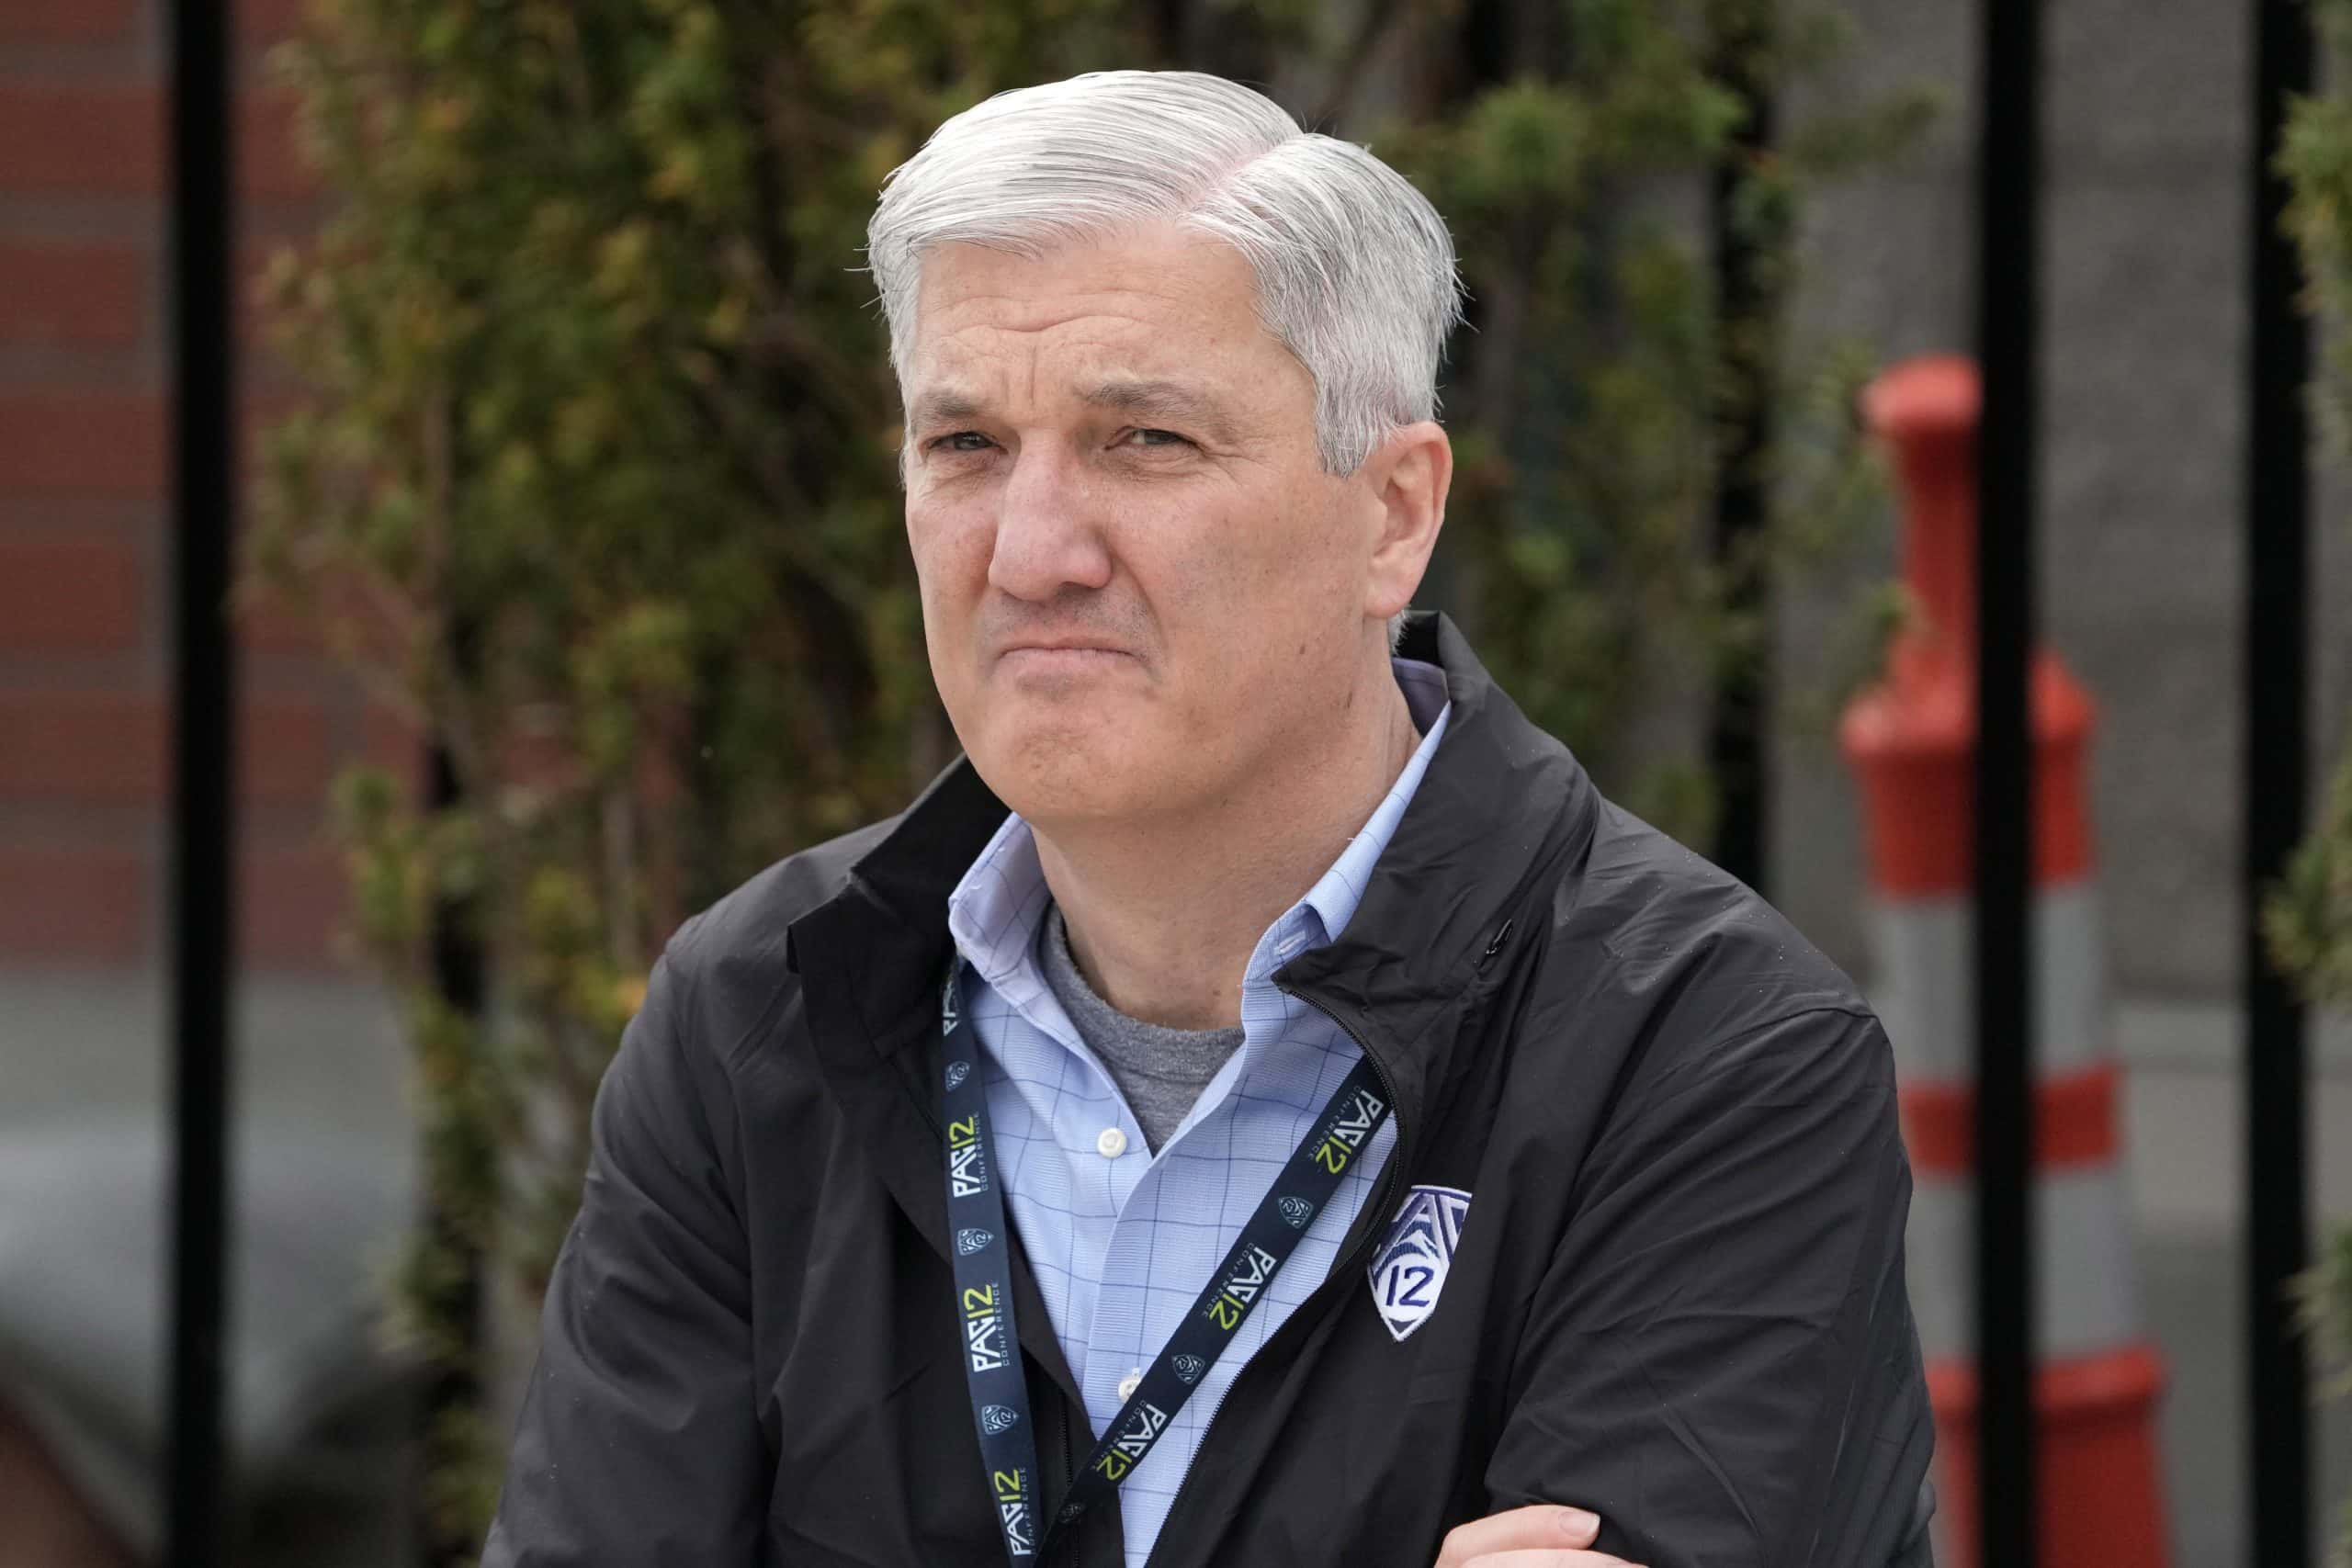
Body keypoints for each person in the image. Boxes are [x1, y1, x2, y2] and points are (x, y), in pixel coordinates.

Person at [481, 69, 1935, 1568]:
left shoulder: (1708, 1059)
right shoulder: (757, 1015)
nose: (1034, 552)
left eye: (1144, 442)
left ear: (1393, 513)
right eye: (966, 447)